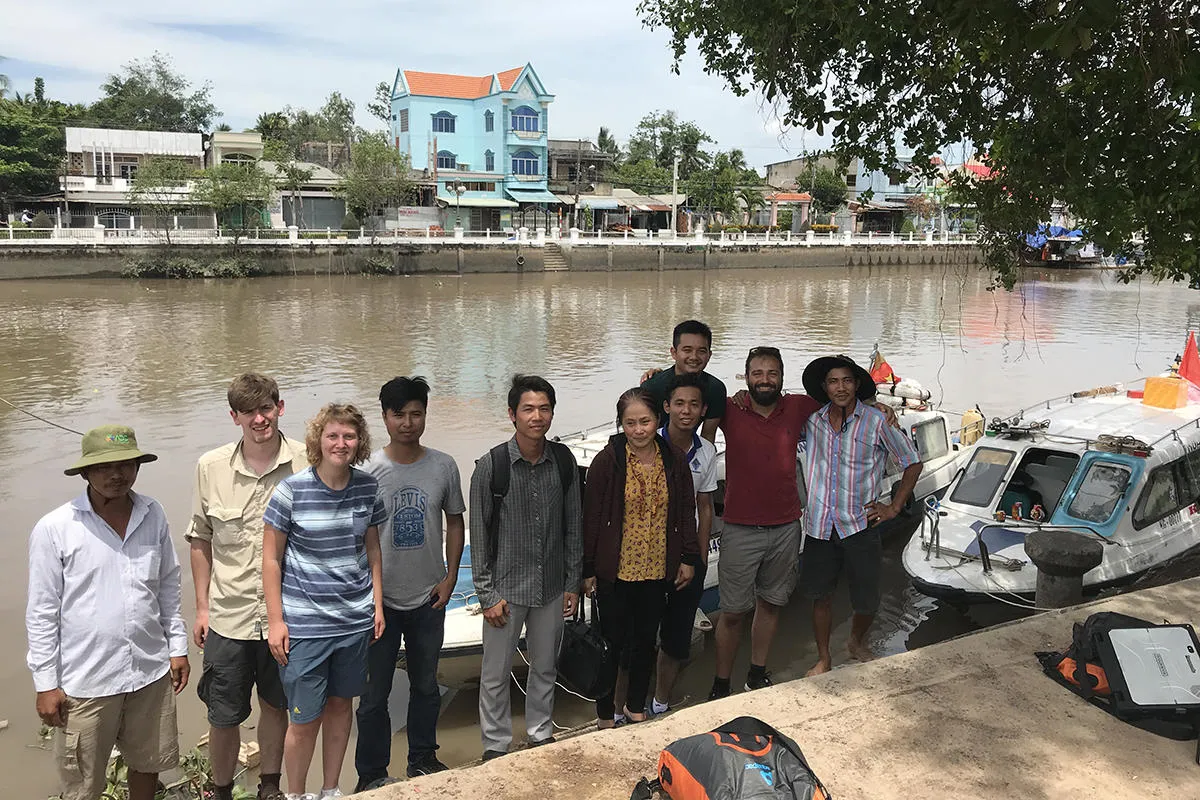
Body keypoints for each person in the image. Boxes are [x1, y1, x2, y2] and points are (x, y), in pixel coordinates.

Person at [26, 425, 189, 800]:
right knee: (83, 785)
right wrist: (46, 683)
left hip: (149, 672)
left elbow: (167, 584)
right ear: (85, 472)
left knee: (148, 766)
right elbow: (41, 612)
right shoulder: (56, 528)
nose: (117, 474)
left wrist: (177, 647)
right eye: (104, 467)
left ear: (137, 466)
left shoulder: (153, 513)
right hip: (86, 682)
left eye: (126, 464)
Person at [188, 374, 305, 800]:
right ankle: (220, 791)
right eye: (249, 412)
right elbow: (200, 538)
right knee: (223, 715)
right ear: (233, 416)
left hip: (289, 615)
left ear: (281, 407)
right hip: (228, 615)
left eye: (267, 409)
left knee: (277, 706)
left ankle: (269, 786)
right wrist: (202, 608)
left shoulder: (307, 461)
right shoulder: (210, 466)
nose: (260, 419)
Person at [262, 404, 386, 800]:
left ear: (359, 442)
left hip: (353, 621)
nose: (341, 443)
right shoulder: (291, 490)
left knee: (340, 708)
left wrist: (377, 605)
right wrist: (276, 621)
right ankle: (297, 794)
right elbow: (270, 559)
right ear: (318, 440)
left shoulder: (368, 487)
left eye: (349, 436)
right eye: (333, 435)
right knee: (304, 720)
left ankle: (330, 789)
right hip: (305, 626)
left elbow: (373, 551)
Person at [355, 377, 465, 790]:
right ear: (384, 417)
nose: (408, 422)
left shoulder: (443, 465)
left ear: (425, 415)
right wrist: (366, 594)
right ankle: (371, 775)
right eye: (398, 414)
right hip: (377, 602)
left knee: (425, 685)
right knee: (372, 697)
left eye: (416, 413)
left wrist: (451, 576)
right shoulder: (365, 471)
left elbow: (455, 520)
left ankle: (423, 758)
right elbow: (354, 535)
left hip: (428, 597)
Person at [470, 375, 582, 760]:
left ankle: (539, 734)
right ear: (512, 414)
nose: (537, 417)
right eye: (528, 409)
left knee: (545, 666)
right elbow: (479, 535)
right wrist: (487, 594)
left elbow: (573, 526)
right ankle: (495, 746)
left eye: (544, 408)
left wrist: (572, 581)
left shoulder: (563, 462)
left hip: (550, 585)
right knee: (495, 674)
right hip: (505, 589)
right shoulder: (493, 466)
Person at [708, 347, 824, 700]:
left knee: (771, 603)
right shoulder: (730, 408)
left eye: (772, 373)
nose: (764, 380)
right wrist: (657, 378)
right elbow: (687, 397)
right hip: (740, 528)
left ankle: (756, 674)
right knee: (732, 612)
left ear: (782, 377)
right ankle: (721, 684)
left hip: (787, 526)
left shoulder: (799, 407)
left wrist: (877, 405)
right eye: (757, 373)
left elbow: (843, 399)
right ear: (745, 377)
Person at [582, 388, 700, 727]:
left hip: (655, 567)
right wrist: (588, 568)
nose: (638, 430)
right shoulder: (608, 462)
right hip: (615, 571)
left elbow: (684, 511)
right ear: (621, 424)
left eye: (645, 421)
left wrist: (688, 558)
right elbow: (591, 519)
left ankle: (635, 708)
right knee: (612, 645)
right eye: (630, 423)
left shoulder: (674, 460)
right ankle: (606, 714)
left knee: (647, 640)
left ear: (658, 420)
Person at [800, 356, 922, 676]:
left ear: (856, 385)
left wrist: (894, 506)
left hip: (860, 523)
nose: (840, 388)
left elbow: (911, 462)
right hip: (819, 526)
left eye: (847, 381)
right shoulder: (812, 422)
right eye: (833, 382)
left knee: (867, 599)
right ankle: (824, 657)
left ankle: (855, 640)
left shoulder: (877, 421)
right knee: (820, 597)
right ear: (824, 387)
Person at [639, 320, 727, 442]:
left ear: (709, 355)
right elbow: (640, 432)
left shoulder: (715, 388)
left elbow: (708, 435)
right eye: (687, 350)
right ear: (674, 353)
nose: (694, 357)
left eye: (701, 351)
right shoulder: (652, 387)